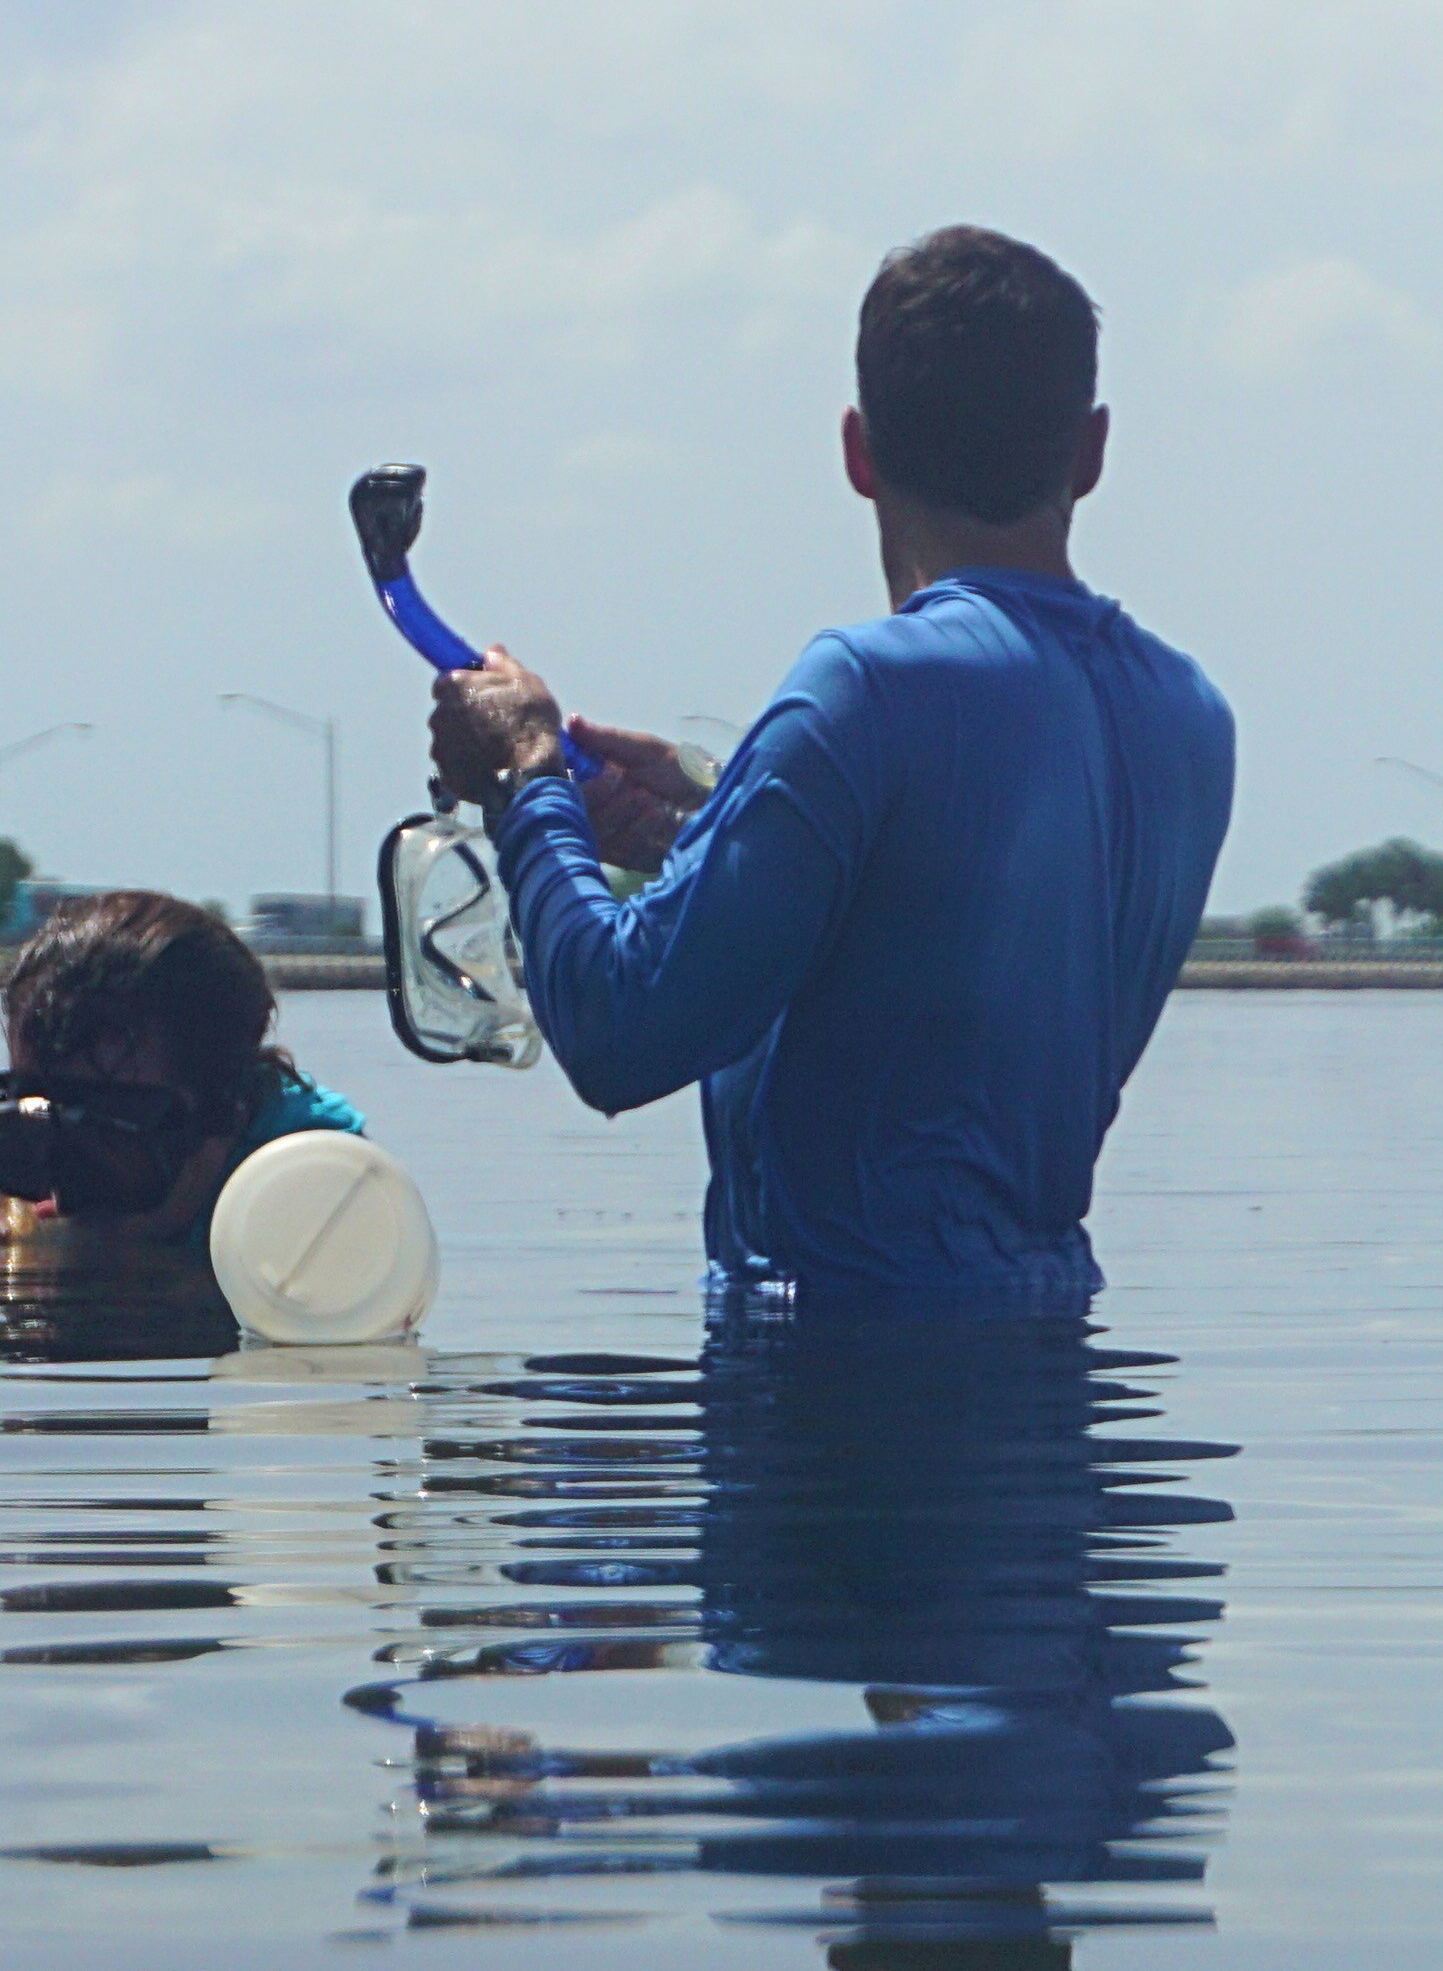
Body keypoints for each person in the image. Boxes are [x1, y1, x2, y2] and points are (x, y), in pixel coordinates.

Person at [425, 225, 1238, 1319]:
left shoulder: (866, 685)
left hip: (828, 1385)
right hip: (1047, 1350)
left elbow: (621, 1032)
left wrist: (528, 776)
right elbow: (939, 930)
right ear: (1091, 451)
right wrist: (709, 828)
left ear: (858, 451)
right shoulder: (1190, 717)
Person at [0, 888, 367, 1256]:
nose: (62, 1197)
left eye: (106, 1136)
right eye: (35, 1131)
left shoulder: (317, 1195)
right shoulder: (33, 1195)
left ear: (221, 1115)